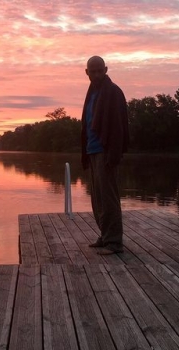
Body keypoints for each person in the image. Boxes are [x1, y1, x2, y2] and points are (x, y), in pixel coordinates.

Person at [81, 55, 129, 255]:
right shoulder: (92, 92)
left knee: (109, 198)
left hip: (105, 151)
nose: (97, 74)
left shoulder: (113, 92)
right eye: (93, 71)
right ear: (87, 72)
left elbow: (119, 126)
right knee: (98, 198)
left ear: (106, 69)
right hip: (92, 150)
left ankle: (114, 242)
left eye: (100, 70)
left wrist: (114, 154)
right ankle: (105, 235)